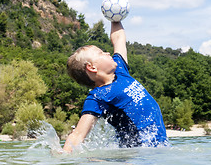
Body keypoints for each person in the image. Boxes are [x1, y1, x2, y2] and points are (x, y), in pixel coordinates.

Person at [63, 21, 169, 152]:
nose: (107, 53)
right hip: (139, 155)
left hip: (158, 148)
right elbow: (79, 134)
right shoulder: (97, 97)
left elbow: (119, 39)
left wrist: (115, 18)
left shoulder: (120, 70)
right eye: (101, 53)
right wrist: (64, 155)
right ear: (92, 67)